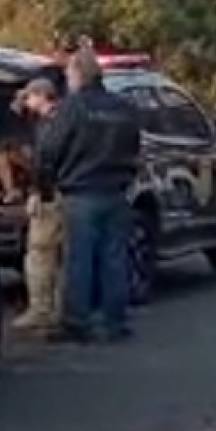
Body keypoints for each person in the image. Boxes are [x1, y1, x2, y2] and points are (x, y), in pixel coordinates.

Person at [39, 51, 143, 343]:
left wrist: (46, 183)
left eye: (69, 75)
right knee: (115, 259)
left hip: (81, 193)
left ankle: (76, 323)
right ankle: (114, 322)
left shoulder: (73, 107)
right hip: (117, 191)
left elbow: (50, 148)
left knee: (79, 261)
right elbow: (135, 148)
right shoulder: (124, 108)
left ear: (77, 75)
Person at [11, 78, 64, 330]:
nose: (26, 102)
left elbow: (45, 162)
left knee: (40, 253)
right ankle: (60, 310)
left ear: (42, 95)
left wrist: (37, 194)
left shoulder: (50, 125)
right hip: (68, 192)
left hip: (50, 196)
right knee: (62, 257)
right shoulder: (63, 119)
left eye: (30, 96)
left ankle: (41, 310)